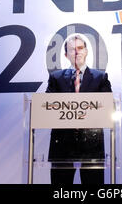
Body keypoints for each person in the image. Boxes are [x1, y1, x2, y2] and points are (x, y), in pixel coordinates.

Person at [45, 35, 112, 184]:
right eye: (72, 50)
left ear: (86, 51)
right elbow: (47, 109)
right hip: (62, 143)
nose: (76, 52)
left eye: (80, 48)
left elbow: (108, 108)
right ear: (66, 55)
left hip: (92, 144)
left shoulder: (100, 77)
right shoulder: (55, 78)